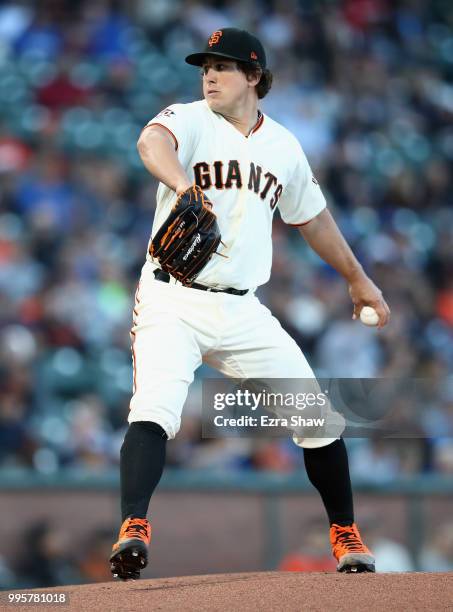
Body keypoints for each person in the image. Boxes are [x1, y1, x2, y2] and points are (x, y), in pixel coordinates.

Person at [109, 27, 390, 580]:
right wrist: (183, 186)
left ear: (255, 76)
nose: (209, 74)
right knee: (154, 409)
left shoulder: (282, 146)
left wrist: (359, 279)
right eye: (205, 65)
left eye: (224, 66)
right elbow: (151, 144)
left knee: (318, 419)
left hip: (243, 310)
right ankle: (133, 528)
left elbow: (313, 218)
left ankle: (345, 534)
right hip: (173, 299)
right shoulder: (190, 119)